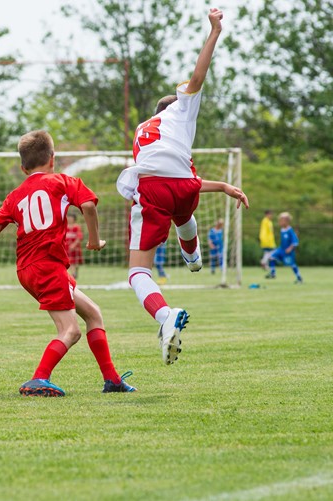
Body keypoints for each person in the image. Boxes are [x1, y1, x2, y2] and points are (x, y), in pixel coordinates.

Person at [115, 8, 249, 365]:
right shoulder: (181, 109)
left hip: (155, 187)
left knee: (137, 272)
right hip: (183, 187)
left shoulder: (143, 129)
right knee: (184, 207)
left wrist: (222, 186)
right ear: (178, 102)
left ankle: (165, 316)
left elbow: (159, 171)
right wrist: (214, 32)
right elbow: (198, 73)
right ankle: (193, 257)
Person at [0, 130, 135, 397]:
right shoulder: (62, 181)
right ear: (53, 157)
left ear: (23, 168)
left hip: (27, 269)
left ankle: (112, 380)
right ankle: (38, 379)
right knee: (70, 331)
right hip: (47, 266)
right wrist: (94, 241)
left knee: (93, 313)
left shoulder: (15, 195)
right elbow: (89, 206)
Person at [266, 212, 302, 283]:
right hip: (281, 250)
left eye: (281, 220)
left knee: (292, 265)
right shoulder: (282, 230)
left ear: (287, 221)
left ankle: (299, 278)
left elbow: (295, 241)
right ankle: (273, 273)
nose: (280, 222)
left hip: (288, 252)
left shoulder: (290, 231)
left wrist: (290, 248)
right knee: (271, 257)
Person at [63, 213, 84, 279]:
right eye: (68, 217)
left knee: (76, 262)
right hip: (66, 248)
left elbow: (79, 237)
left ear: (74, 219)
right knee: (70, 261)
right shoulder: (64, 227)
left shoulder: (77, 227)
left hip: (75, 249)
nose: (69, 219)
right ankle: (73, 274)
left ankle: (75, 272)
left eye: (70, 217)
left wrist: (74, 245)